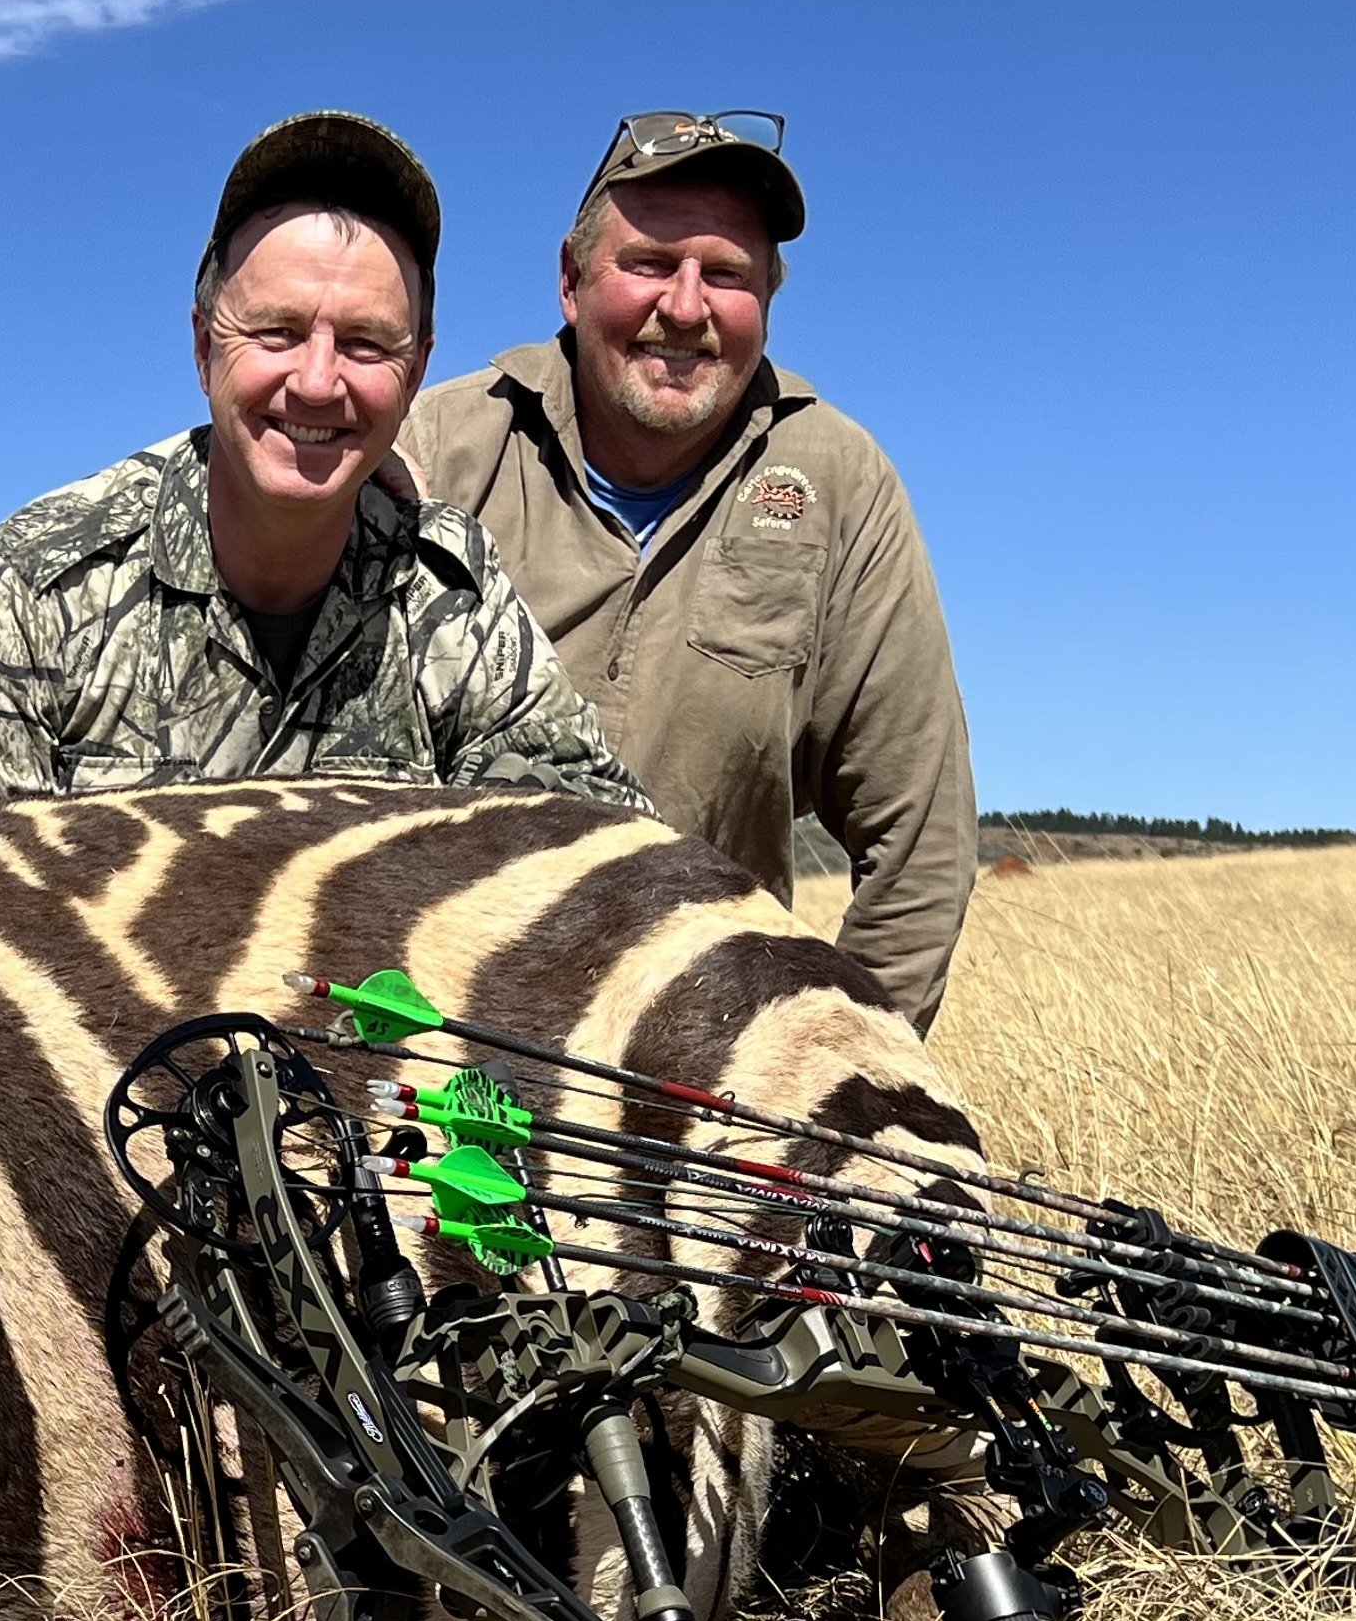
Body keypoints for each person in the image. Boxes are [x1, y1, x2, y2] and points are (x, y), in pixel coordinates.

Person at [0, 113, 650, 815]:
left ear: (415, 376)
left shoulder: (450, 590)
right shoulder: (34, 592)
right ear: (204, 346)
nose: (317, 383)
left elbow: (608, 849)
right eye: (276, 332)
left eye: (366, 344)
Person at [401, 113, 975, 1031]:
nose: (687, 305)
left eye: (728, 274)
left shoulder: (838, 478)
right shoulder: (440, 445)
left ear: (769, 300)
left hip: (703, 1062)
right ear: (571, 281)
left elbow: (921, 839)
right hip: (430, 1036)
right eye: (652, 262)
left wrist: (835, 1088)